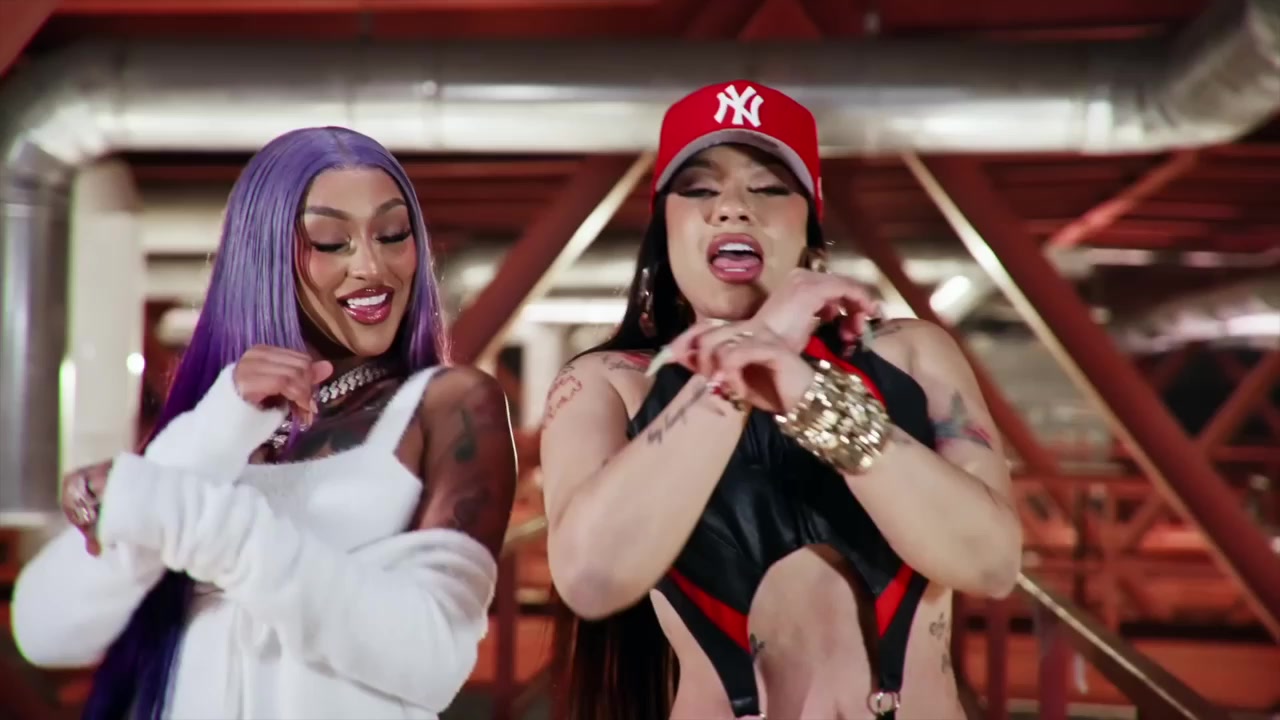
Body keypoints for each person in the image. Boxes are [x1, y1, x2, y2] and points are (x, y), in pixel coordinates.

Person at [541, 81, 1022, 720]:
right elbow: (592, 577)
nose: (732, 208)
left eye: (769, 188)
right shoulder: (610, 382)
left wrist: (806, 391)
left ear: (810, 233)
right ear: (665, 231)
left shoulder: (909, 353)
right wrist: (749, 355)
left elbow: (989, 562)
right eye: (699, 190)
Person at [12, 127, 518, 720]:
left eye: (392, 234)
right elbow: (46, 631)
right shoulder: (217, 423)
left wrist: (193, 521)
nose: (371, 265)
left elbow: (432, 656)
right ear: (264, 253)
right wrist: (217, 427)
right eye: (330, 241)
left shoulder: (448, 406)